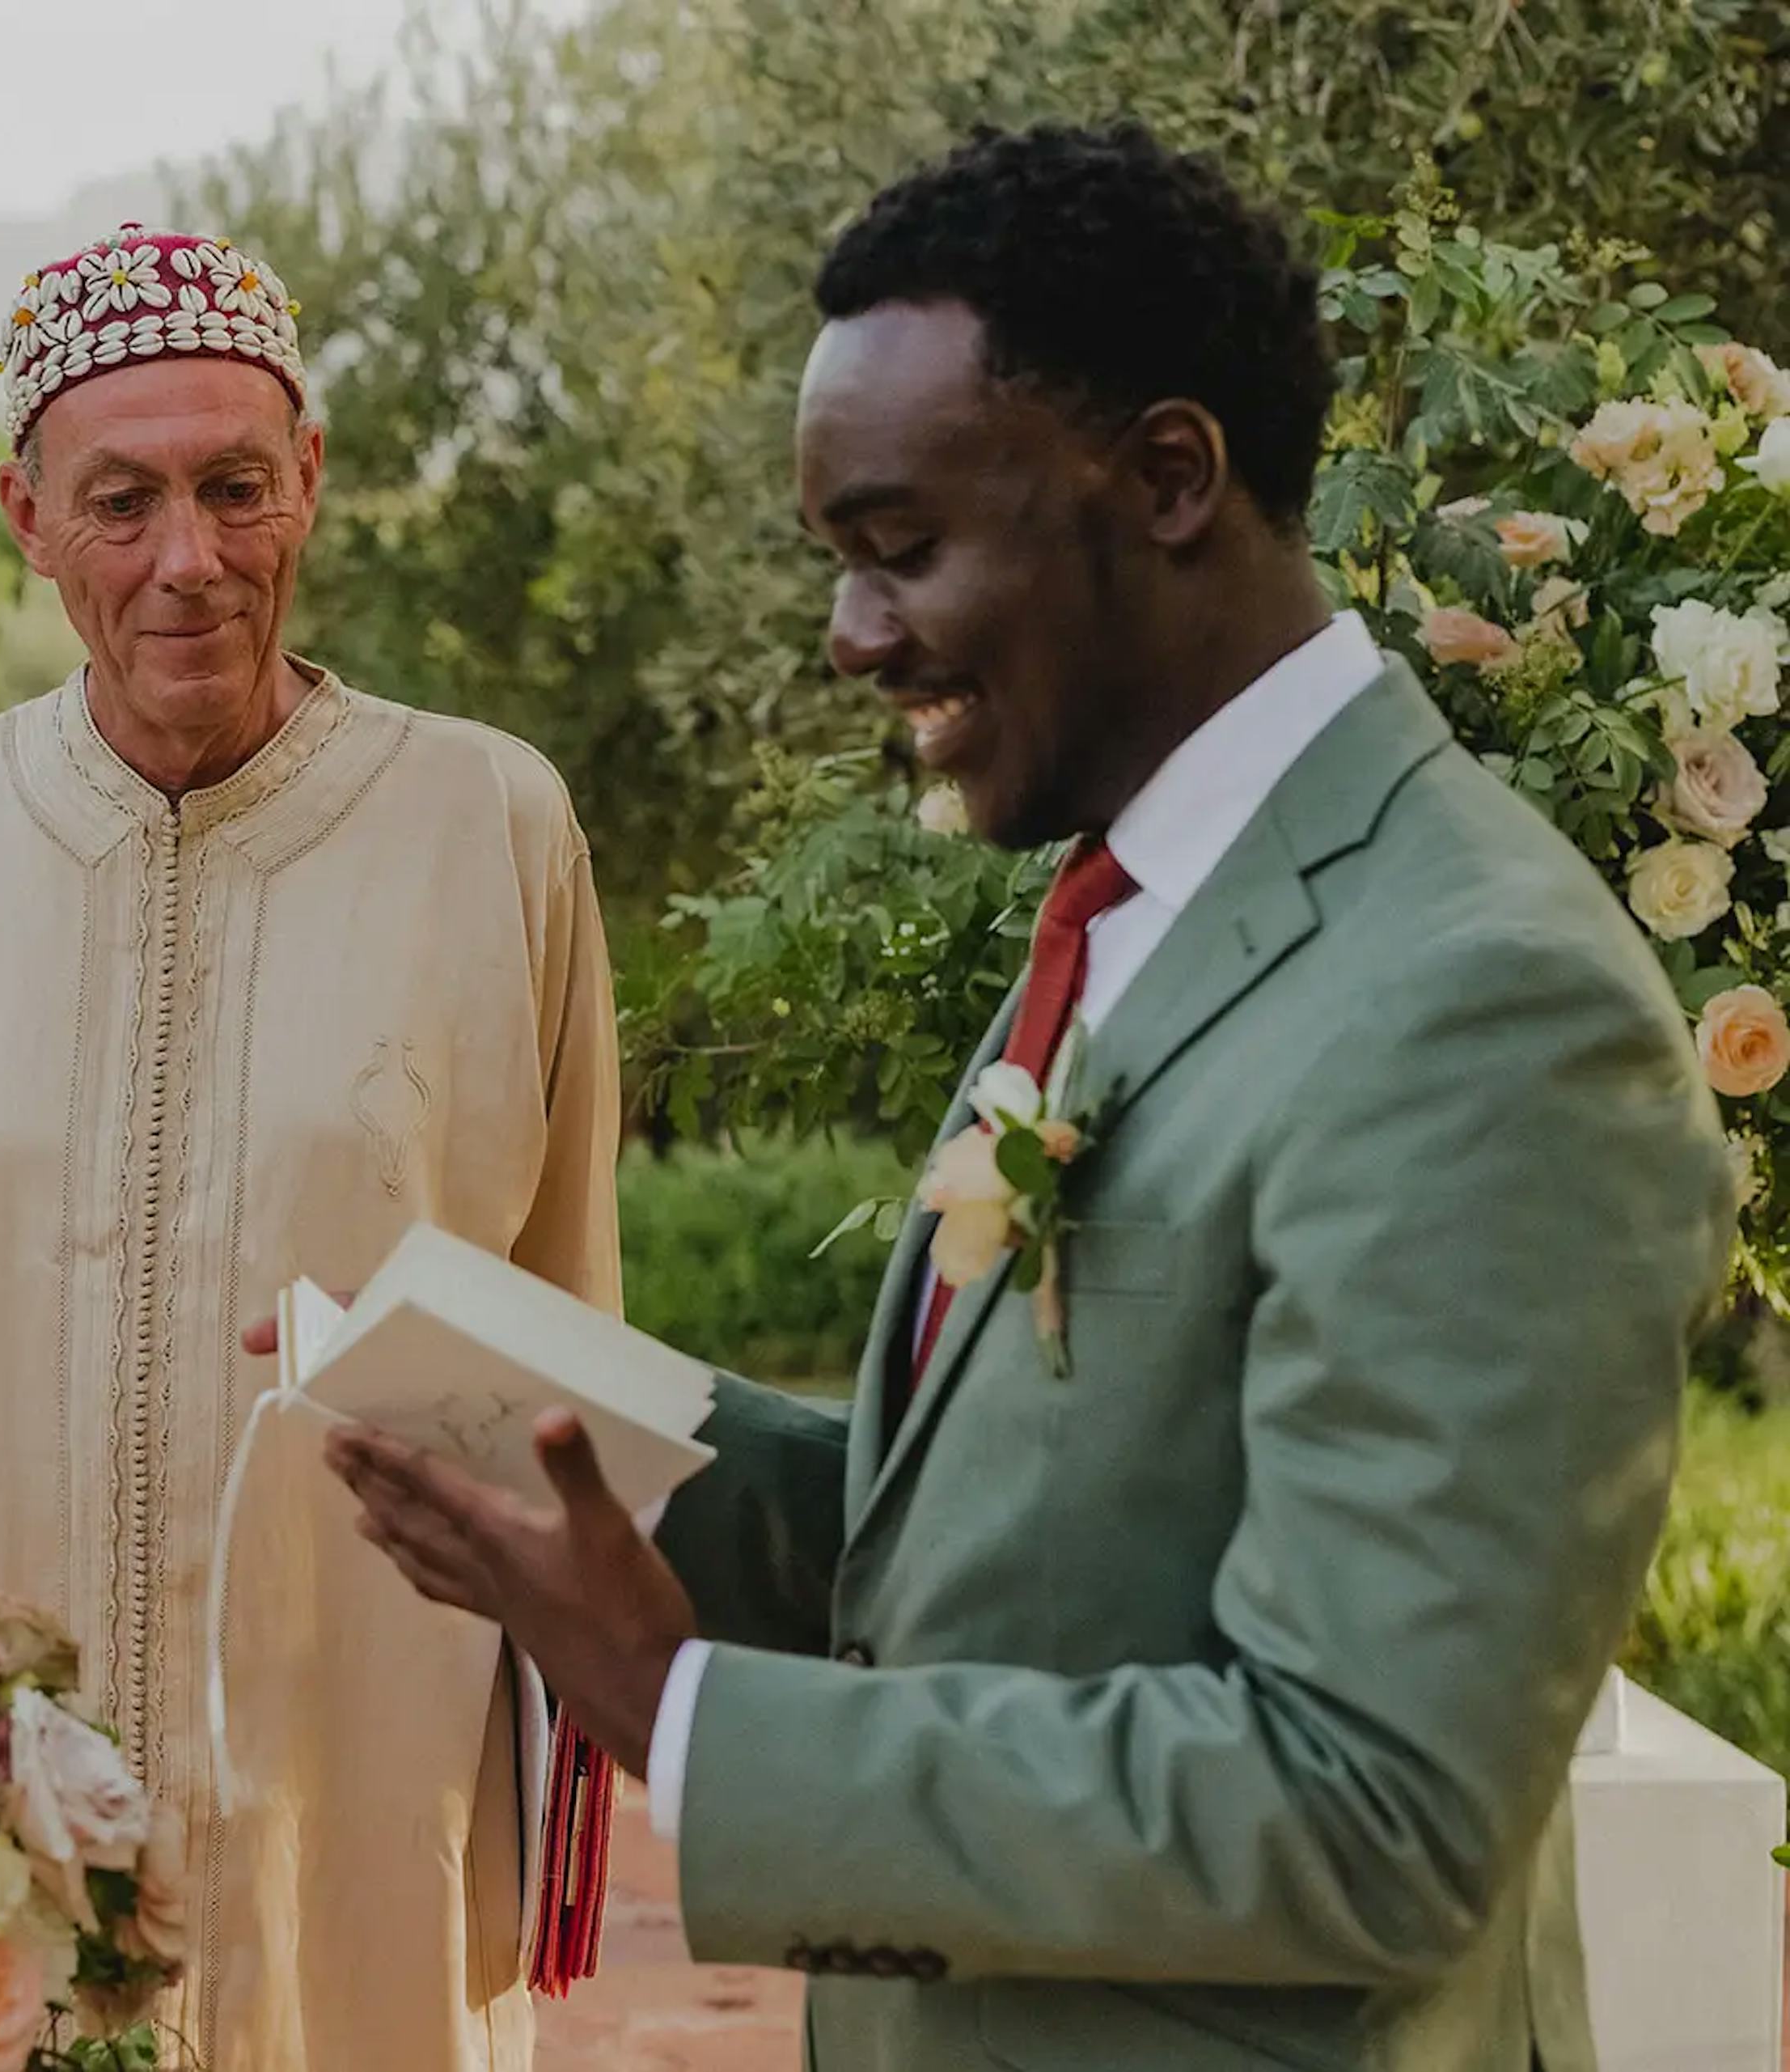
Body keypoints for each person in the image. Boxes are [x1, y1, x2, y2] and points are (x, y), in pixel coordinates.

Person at [317, 125, 1732, 2070]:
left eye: (903, 551)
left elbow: (1375, 1813)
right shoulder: (1143, 895)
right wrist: (578, 1435)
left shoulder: (1481, 1004)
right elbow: (1020, 1542)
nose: (853, 633)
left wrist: (687, 1712)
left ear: (1167, 480)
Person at [0, 224, 620, 2070]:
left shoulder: (490, 823)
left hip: (360, 1774)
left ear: (309, 473)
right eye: (122, 501)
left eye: (237, 488)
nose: (189, 561)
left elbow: (570, 1323)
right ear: (25, 513)